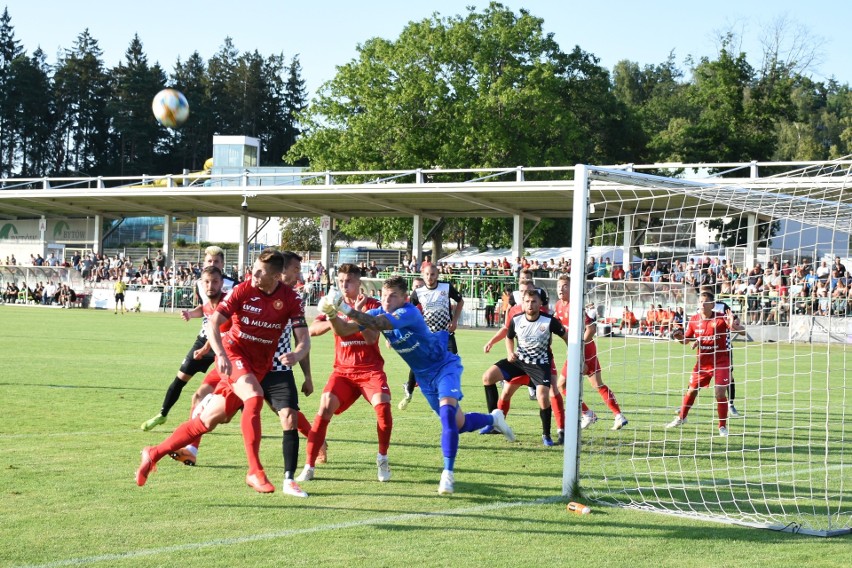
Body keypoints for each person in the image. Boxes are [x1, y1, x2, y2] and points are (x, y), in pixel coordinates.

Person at [318, 276, 514, 495]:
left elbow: (381, 324)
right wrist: (332, 313)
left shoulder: (409, 312)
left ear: (404, 298)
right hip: (424, 377)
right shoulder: (375, 313)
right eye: (384, 295)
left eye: (393, 296)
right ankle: (494, 419)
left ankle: (447, 474)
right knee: (459, 423)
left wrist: (345, 307)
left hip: (443, 366)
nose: (387, 300)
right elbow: (343, 331)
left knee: (448, 417)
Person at [137, 249, 309, 494]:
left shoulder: (290, 299)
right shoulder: (243, 290)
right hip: (233, 354)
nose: (254, 273)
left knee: (205, 422)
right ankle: (254, 471)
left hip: (259, 365)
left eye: (261, 271)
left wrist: (298, 353)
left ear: (276, 276)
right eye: (255, 267)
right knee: (254, 395)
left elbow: (304, 339)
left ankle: (154, 453)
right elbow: (215, 324)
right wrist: (220, 354)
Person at [296, 263, 393, 484]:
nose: (344, 285)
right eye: (340, 281)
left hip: (370, 370)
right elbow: (312, 330)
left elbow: (370, 339)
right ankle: (309, 466)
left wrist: (353, 316)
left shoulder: (373, 305)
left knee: (383, 407)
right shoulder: (332, 304)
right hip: (343, 372)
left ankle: (382, 459)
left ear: (359, 283)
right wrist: (334, 317)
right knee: (324, 406)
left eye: (348, 281)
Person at [140, 246, 235, 432]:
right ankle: (162, 414)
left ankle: (220, 416)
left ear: (223, 264)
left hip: (227, 344)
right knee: (181, 377)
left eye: (216, 262)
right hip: (205, 339)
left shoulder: (235, 287)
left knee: (236, 387)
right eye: (209, 261)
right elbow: (205, 307)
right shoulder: (202, 283)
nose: (212, 264)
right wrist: (191, 314)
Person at [486, 288, 568, 445]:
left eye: (533, 302)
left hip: (539, 365)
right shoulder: (516, 319)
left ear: (540, 303)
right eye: (527, 302)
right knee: (489, 378)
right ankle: (494, 422)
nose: (530, 305)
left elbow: (566, 336)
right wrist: (510, 353)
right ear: (522, 303)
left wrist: (572, 354)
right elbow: (509, 337)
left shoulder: (549, 321)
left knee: (544, 396)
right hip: (519, 362)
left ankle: (547, 435)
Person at [553, 274, 628, 431]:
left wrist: (579, 349)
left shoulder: (576, 306)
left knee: (562, 384)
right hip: (578, 349)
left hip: (583, 348)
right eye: (559, 286)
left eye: (565, 285)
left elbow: (591, 328)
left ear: (572, 288)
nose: (561, 288)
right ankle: (616, 415)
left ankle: (589, 414)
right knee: (595, 384)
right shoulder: (559, 306)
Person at [666, 290, 744, 437]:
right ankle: (682, 417)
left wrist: (734, 325)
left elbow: (743, 332)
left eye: (705, 302)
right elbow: (685, 340)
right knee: (691, 391)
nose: (702, 304)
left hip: (721, 361)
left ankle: (722, 426)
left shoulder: (721, 318)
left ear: (712, 304)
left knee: (719, 392)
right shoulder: (694, 320)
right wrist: (678, 337)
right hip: (702, 363)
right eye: (700, 302)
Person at [398, 263, 464, 410]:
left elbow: (460, 301)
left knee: (453, 360)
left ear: (437, 275)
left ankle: (451, 391)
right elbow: (407, 310)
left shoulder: (446, 287)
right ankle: (409, 388)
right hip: (427, 335)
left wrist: (455, 320)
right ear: (423, 275)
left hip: (446, 334)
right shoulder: (418, 292)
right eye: (427, 274)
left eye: (433, 274)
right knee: (419, 361)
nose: (430, 277)